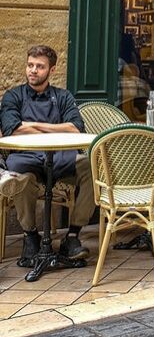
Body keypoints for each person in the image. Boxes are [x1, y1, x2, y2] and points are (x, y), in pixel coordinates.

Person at [0, 45, 95, 264]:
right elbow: (13, 128)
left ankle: (72, 235)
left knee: (91, 167)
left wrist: (31, 124)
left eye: (40, 67)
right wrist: (56, 126)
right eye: (30, 65)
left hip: (62, 158)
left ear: (51, 70)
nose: (33, 70)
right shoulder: (13, 96)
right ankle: (30, 235)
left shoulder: (63, 97)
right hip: (25, 159)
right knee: (19, 178)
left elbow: (76, 128)